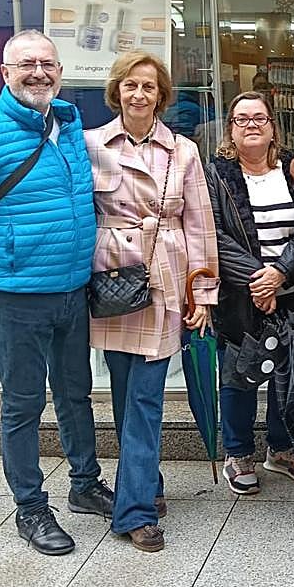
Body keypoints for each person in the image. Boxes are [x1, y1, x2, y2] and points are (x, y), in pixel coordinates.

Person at [0, 30, 112, 555]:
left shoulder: (69, 127)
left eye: (47, 63)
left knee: (75, 395)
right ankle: (30, 508)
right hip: (17, 298)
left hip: (72, 290)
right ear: (5, 73)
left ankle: (84, 484)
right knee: (23, 404)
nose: (38, 72)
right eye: (26, 64)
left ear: (60, 72)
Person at [84, 51, 219, 553]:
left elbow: (200, 226)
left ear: (161, 96)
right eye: (130, 85)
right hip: (112, 282)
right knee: (124, 394)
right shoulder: (90, 145)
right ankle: (148, 481)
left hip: (163, 280)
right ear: (116, 91)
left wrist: (202, 294)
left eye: (148, 86)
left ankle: (134, 510)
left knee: (145, 396)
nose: (139, 94)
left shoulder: (183, 151)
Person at [205, 90, 294, 495]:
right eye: (242, 118)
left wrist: (280, 274)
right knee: (239, 375)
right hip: (239, 293)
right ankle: (239, 452)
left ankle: (280, 449)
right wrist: (258, 279)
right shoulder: (216, 175)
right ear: (231, 129)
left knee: (287, 375)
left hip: (290, 291)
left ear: (272, 127)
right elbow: (213, 234)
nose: (251, 125)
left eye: (259, 118)